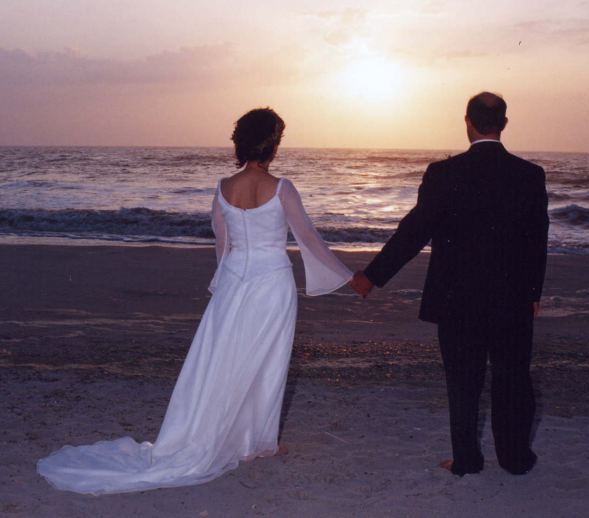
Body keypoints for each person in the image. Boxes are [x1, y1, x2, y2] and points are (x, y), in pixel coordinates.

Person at [37, 108, 352, 495]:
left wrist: (225, 284)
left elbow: (224, 245)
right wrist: (349, 275)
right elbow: (309, 239)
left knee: (224, 358)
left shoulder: (223, 187)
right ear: (274, 144)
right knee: (267, 359)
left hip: (237, 279)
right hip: (272, 283)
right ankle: (257, 443)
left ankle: (238, 438)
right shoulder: (282, 187)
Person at [351, 92, 549, 476]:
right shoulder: (529, 175)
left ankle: (467, 460)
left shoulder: (444, 174)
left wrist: (371, 276)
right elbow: (536, 241)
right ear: (504, 124)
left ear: (468, 123)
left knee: (462, 381)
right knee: (512, 378)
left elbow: (413, 232)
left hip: (458, 299)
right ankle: (515, 459)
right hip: (511, 298)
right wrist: (533, 294)